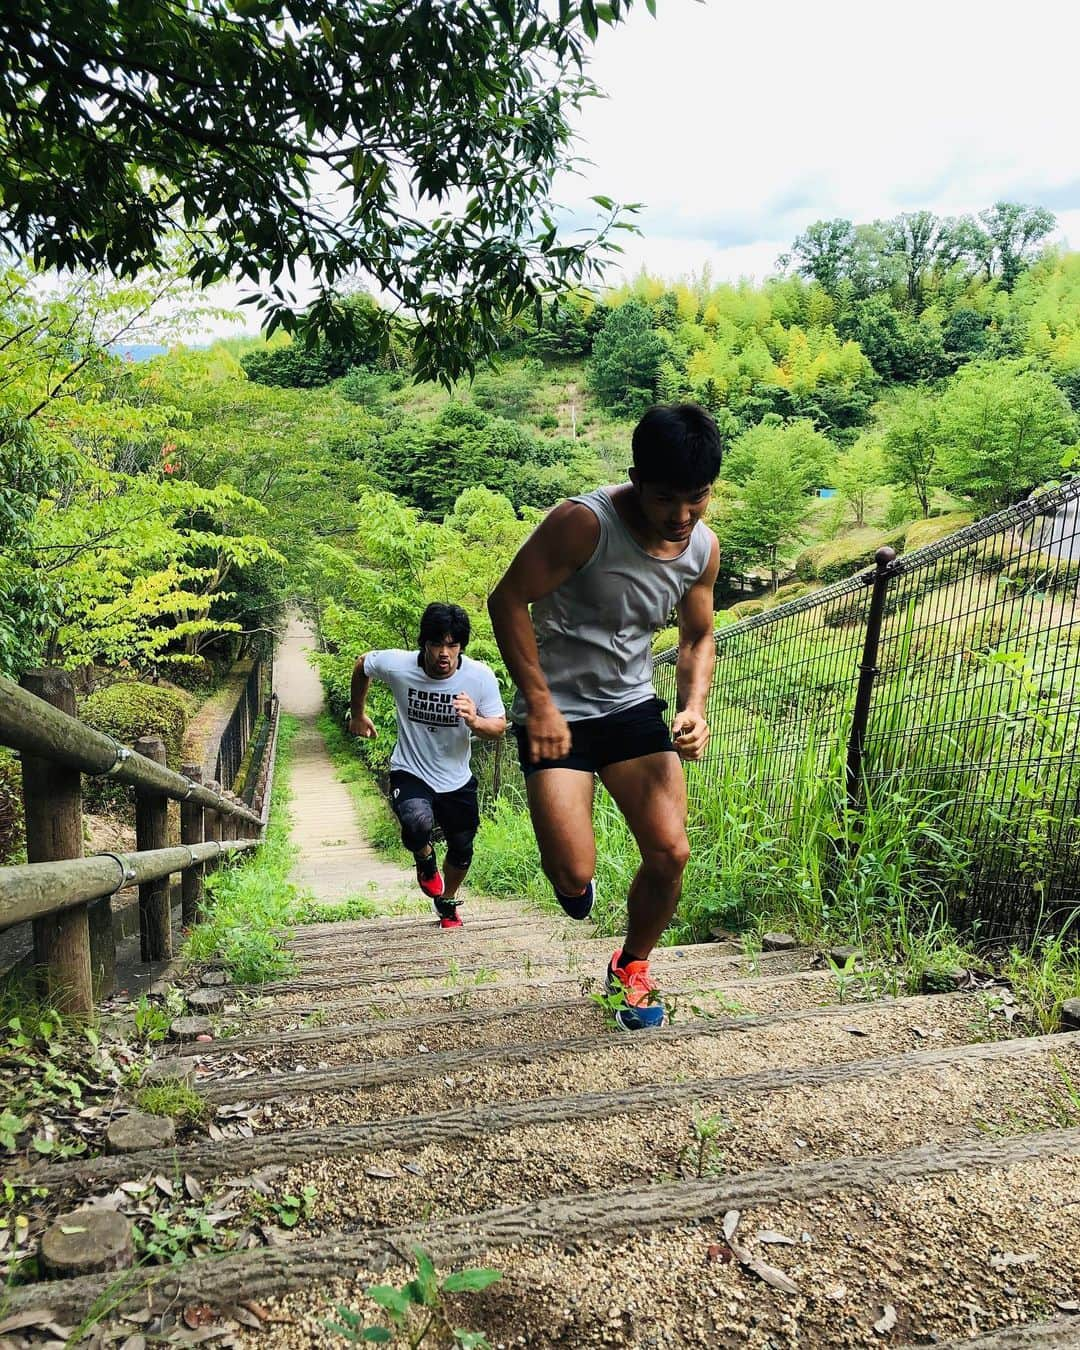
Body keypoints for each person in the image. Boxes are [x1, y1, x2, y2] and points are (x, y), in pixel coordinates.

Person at [488, 403, 721, 1027]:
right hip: (554, 713)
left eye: (696, 498)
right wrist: (536, 701)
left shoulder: (702, 548)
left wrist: (693, 705)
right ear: (636, 478)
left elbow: (698, 637)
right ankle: (572, 884)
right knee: (572, 875)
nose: (681, 515)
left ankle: (632, 966)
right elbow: (507, 600)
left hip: (630, 707)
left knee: (671, 851)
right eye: (668, 498)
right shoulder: (581, 525)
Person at [348, 602, 507, 928]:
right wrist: (358, 712)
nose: (444, 653)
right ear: (424, 643)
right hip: (410, 769)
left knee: (462, 849)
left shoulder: (479, 677)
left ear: (461, 646)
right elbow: (362, 664)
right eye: (437, 644)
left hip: (457, 779)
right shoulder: (399, 665)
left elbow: (499, 728)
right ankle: (424, 858)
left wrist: (475, 720)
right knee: (417, 822)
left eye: (452, 645)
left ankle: (447, 901)